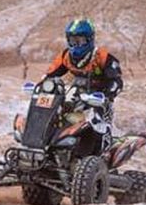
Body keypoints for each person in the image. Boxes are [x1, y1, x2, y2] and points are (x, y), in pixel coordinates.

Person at [41, 18, 123, 148]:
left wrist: (107, 95)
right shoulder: (66, 56)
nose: (76, 45)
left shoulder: (102, 56)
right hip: (77, 93)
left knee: (98, 121)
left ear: (89, 39)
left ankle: (102, 151)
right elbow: (51, 73)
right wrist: (43, 84)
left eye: (80, 41)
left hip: (98, 97)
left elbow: (116, 81)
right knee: (57, 114)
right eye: (73, 41)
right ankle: (53, 147)